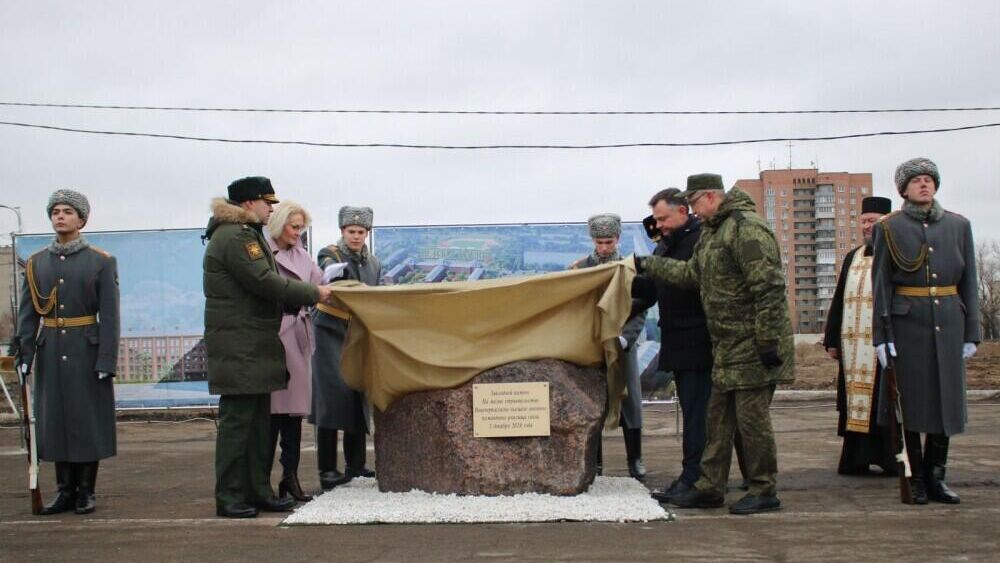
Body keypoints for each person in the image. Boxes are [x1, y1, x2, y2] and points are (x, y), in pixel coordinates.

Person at [635, 173, 794, 515]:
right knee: (717, 422)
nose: (692, 210)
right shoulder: (713, 233)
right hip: (725, 346)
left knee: (752, 424)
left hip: (752, 344)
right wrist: (649, 264)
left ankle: (764, 489)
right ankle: (709, 487)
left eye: (693, 203)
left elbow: (768, 287)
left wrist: (767, 340)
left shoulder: (746, 228)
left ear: (710, 196)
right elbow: (692, 274)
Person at [203, 176, 332, 518]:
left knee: (258, 426)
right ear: (248, 204)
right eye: (267, 202)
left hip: (253, 343)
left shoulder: (245, 234)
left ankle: (257, 490)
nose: (271, 208)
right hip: (241, 344)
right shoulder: (234, 237)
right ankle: (230, 495)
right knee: (238, 426)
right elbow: (263, 282)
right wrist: (312, 294)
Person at [871, 157, 979, 504]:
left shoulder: (958, 226)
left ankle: (937, 477)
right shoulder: (889, 228)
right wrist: (882, 337)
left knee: (945, 403)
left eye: (929, 179)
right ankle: (915, 478)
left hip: (949, 323)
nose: (924, 184)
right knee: (913, 407)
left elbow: (969, 282)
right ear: (903, 189)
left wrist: (971, 332)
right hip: (907, 325)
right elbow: (882, 286)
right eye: (916, 180)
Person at [15, 189, 119, 515]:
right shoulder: (36, 264)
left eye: (67, 212)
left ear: (82, 219)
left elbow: (110, 316)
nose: (60, 216)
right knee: (55, 420)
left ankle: (86, 490)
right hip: (50, 352)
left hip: (86, 351)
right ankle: (64, 490)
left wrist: (106, 359)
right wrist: (24, 355)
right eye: (55, 211)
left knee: (86, 421)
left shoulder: (100, 262)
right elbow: (28, 314)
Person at [634, 189, 715, 502]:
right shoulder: (669, 244)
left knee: (699, 418)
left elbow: (691, 281)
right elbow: (650, 291)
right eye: (656, 219)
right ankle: (690, 476)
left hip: (698, 344)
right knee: (693, 414)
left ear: (683, 212)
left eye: (663, 218)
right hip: (679, 344)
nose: (659, 225)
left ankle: (696, 479)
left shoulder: (699, 242)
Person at [823, 196, 897, 476]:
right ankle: (856, 459)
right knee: (854, 403)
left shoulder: (896, 253)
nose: (867, 226)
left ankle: (888, 458)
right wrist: (831, 339)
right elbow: (839, 298)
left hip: (883, 343)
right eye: (864, 221)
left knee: (883, 401)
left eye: (873, 221)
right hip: (852, 344)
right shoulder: (852, 256)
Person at [570, 213, 647, 480]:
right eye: (600, 242)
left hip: (623, 344)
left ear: (618, 239)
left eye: (609, 241)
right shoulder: (581, 269)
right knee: (594, 403)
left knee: (631, 403)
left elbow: (640, 309)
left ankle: (635, 459)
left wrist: (626, 338)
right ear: (593, 240)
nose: (604, 247)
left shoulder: (630, 268)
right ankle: (595, 463)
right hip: (592, 346)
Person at [312, 206, 382, 489]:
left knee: (356, 395)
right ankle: (327, 468)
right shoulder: (330, 254)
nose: (356, 236)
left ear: (367, 233)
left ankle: (356, 464)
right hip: (329, 329)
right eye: (351, 231)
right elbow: (336, 284)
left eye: (361, 232)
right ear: (342, 231)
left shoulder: (374, 263)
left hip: (357, 331)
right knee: (330, 398)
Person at [265, 200, 323, 502]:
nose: (298, 232)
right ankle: (263, 481)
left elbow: (321, 283)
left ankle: (290, 476)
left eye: (301, 227)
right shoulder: (264, 253)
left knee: (294, 414)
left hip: (298, 335)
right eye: (294, 226)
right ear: (279, 224)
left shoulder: (302, 254)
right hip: (276, 334)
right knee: (272, 414)